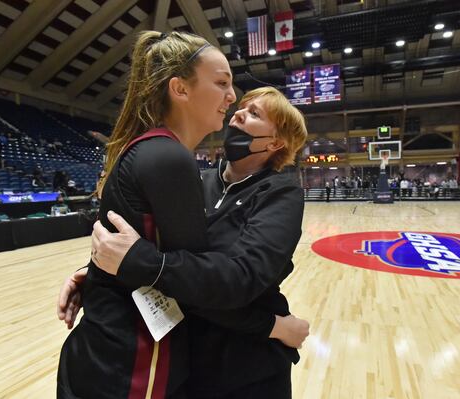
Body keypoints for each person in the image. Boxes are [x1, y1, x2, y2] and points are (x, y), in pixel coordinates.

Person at [57, 31, 306, 399]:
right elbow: (151, 252)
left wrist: (122, 267)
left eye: (253, 114)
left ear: (275, 143)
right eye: (224, 85)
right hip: (182, 358)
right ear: (180, 89)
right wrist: (94, 272)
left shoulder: (281, 193)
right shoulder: (187, 171)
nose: (235, 104)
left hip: (242, 364)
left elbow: (236, 279)